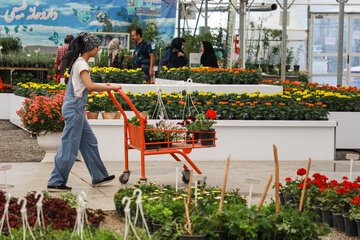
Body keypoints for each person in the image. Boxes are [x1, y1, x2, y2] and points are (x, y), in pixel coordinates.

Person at [47, 32, 122, 192]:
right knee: (69, 146)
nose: (98, 49)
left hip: (76, 108)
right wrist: (111, 87)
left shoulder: (80, 62)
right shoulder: (82, 64)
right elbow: (90, 86)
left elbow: (84, 87)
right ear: (90, 48)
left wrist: (103, 88)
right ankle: (56, 181)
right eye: (97, 46)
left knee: (89, 142)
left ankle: (99, 175)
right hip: (74, 109)